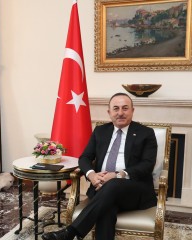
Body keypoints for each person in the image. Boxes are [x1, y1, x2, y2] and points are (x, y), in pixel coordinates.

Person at [42, 93, 158, 240]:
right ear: (109, 112)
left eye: (125, 108)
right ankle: (70, 234)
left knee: (114, 184)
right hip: (101, 188)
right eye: (115, 108)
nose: (120, 113)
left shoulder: (146, 133)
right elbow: (85, 157)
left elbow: (147, 165)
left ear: (132, 111)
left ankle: (70, 233)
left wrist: (118, 175)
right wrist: (91, 174)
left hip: (134, 190)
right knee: (107, 209)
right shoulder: (100, 131)